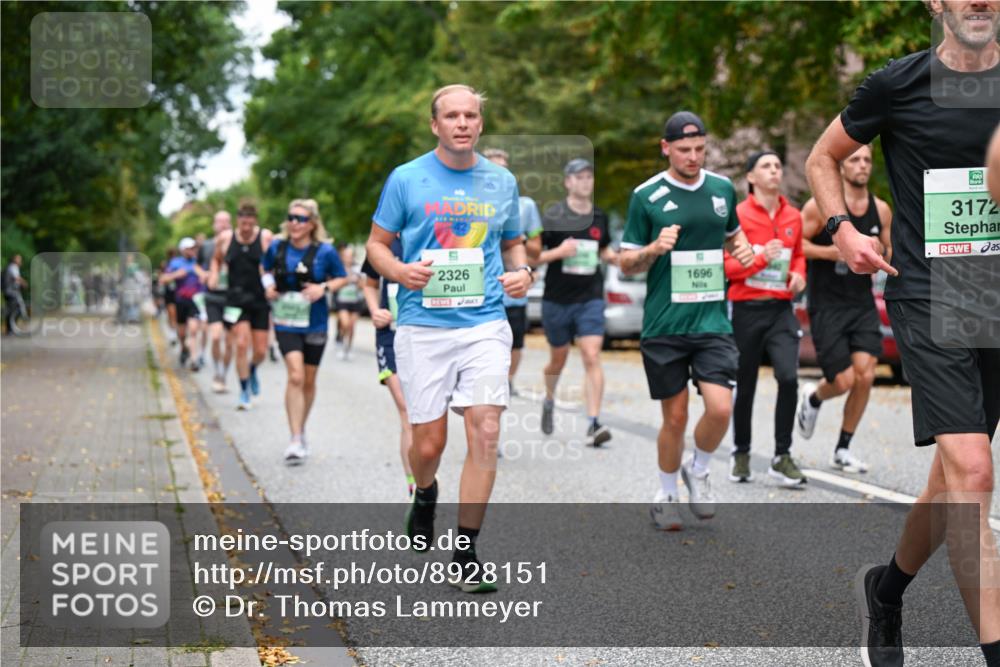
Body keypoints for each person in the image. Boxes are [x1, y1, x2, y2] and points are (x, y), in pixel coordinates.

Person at [805, 1, 1000, 663]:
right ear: (935, 4)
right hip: (928, 292)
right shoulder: (897, 84)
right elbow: (822, 159)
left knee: (951, 482)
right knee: (973, 471)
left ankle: (886, 591)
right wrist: (844, 230)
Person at [365, 83, 532, 594]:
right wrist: (399, 270)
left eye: (471, 115)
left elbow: (514, 244)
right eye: (452, 116)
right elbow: (376, 246)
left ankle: (465, 552)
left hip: (484, 323)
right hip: (422, 326)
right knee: (429, 443)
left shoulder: (501, 181)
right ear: (435, 124)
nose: (462, 123)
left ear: (480, 124)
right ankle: (424, 491)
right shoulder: (406, 178)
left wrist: (522, 272)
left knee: (485, 431)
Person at [619, 111, 754, 531]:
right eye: (684, 150)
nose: (693, 157)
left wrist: (743, 249)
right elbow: (626, 263)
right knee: (674, 417)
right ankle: (665, 493)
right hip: (664, 323)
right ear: (666, 149)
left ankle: (699, 468)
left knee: (720, 407)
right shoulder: (646, 196)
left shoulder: (720, 188)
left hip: (712, 319)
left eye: (699, 149)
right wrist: (653, 248)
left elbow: (731, 233)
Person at [799, 144, 893, 474]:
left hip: (861, 303)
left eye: (867, 159)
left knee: (866, 375)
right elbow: (795, 243)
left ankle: (843, 447)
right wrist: (833, 251)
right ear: (841, 167)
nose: (862, 165)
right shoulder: (819, 207)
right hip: (826, 304)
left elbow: (888, 248)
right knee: (842, 381)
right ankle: (814, 397)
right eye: (855, 159)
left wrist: (881, 252)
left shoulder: (880, 209)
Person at [724, 150, 808, 486]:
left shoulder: (794, 216)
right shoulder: (739, 216)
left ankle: (781, 455)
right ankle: (741, 452)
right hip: (745, 309)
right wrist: (761, 260)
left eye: (777, 165)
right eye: (766, 166)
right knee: (745, 385)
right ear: (751, 178)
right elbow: (728, 268)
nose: (774, 171)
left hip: (780, 310)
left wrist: (799, 276)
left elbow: (798, 255)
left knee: (788, 378)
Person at [528, 158, 618, 447]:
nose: (584, 182)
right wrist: (560, 252)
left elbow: (603, 250)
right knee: (559, 358)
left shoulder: (600, 217)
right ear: (567, 182)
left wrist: (618, 258)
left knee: (591, 355)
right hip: (557, 299)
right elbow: (532, 258)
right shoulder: (553, 216)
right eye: (578, 177)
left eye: (589, 177)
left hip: (590, 296)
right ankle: (550, 398)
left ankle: (594, 423)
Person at [262, 199, 347, 464]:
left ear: (311, 224)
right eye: (291, 217)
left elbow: (342, 277)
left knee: (309, 380)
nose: (294, 223)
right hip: (286, 319)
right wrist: (267, 286)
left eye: (300, 219)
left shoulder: (326, 251)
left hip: (316, 321)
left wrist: (324, 288)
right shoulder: (277, 246)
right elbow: (264, 268)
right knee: (296, 376)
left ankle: (301, 428)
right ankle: (295, 437)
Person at [483, 148, 543, 397]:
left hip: (513, 290)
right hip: (482, 291)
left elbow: (536, 250)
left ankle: (507, 381)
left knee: (515, 341)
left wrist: (512, 241)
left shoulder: (525, 206)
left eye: (505, 169)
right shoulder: (470, 204)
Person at [361, 234, 415, 497]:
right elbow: (369, 284)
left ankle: (425, 478)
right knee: (406, 409)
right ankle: (414, 486)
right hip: (390, 336)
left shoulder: (432, 232)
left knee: (424, 416)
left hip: (426, 336)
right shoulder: (382, 243)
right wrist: (374, 310)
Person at [212, 202, 274, 411]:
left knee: (260, 351)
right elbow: (216, 259)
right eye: (243, 223)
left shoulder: (265, 237)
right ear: (237, 221)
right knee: (240, 344)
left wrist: (271, 281)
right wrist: (214, 274)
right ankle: (244, 390)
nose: (246, 228)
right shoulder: (226, 238)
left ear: (255, 221)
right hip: (235, 300)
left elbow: (274, 263)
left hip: (259, 300)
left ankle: (252, 368)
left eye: (250, 224)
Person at [159, 237, 208, 370]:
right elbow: (163, 279)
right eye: (189, 248)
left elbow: (209, 277)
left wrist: (203, 275)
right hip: (180, 301)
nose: (192, 251)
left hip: (195, 301)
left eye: (193, 248)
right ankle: (184, 349)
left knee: (193, 330)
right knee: (181, 333)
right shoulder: (175, 263)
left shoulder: (199, 262)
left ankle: (194, 360)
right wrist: (176, 275)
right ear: (182, 250)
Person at [203, 211, 235, 393]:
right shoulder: (207, 246)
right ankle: (217, 370)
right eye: (219, 221)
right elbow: (198, 265)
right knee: (215, 336)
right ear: (214, 224)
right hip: (213, 297)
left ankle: (224, 374)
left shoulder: (237, 245)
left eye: (226, 221)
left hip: (232, 299)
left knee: (230, 342)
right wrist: (206, 275)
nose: (222, 224)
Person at [333, 243, 364, 361]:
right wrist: (345, 280)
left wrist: (357, 281)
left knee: (351, 326)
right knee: (345, 323)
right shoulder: (338, 268)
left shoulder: (358, 268)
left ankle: (348, 348)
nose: (348, 258)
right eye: (346, 255)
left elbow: (364, 285)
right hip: (342, 300)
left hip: (355, 301)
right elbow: (333, 283)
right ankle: (340, 339)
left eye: (350, 255)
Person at [3, 254, 27, 335]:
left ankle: (12, 328)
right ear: (14, 259)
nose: (20, 261)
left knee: (14, 310)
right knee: (13, 310)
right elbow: (17, 278)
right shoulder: (13, 267)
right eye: (18, 259)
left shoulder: (12, 267)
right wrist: (24, 283)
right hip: (10, 292)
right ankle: (10, 329)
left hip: (11, 292)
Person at [161, 249, 179, 345]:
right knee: (171, 313)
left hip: (178, 293)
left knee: (176, 314)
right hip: (169, 293)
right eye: (172, 255)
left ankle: (175, 331)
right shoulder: (166, 265)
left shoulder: (180, 263)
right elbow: (162, 279)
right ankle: (173, 333)